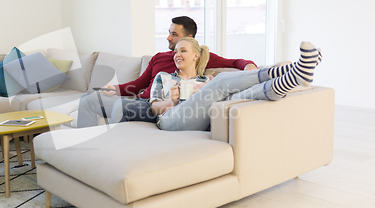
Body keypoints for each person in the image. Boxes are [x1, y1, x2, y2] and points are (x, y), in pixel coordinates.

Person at [77, 16, 257, 128]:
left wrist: (249, 65)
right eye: (169, 32)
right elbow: (139, 84)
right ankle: (82, 150)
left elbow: (234, 62)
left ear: (189, 39)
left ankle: (105, 147)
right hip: (141, 100)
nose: (168, 37)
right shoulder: (158, 57)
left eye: (174, 34)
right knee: (88, 99)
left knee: (119, 106)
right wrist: (114, 89)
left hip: (153, 107)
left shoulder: (199, 55)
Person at [150, 37, 322, 131]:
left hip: (204, 120)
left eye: (183, 50)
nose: (176, 55)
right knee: (220, 82)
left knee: (243, 96)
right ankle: (292, 69)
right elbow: (153, 108)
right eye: (175, 52)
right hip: (171, 119)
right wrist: (172, 101)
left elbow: (237, 63)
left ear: (196, 56)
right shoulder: (163, 77)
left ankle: (294, 77)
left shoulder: (206, 81)